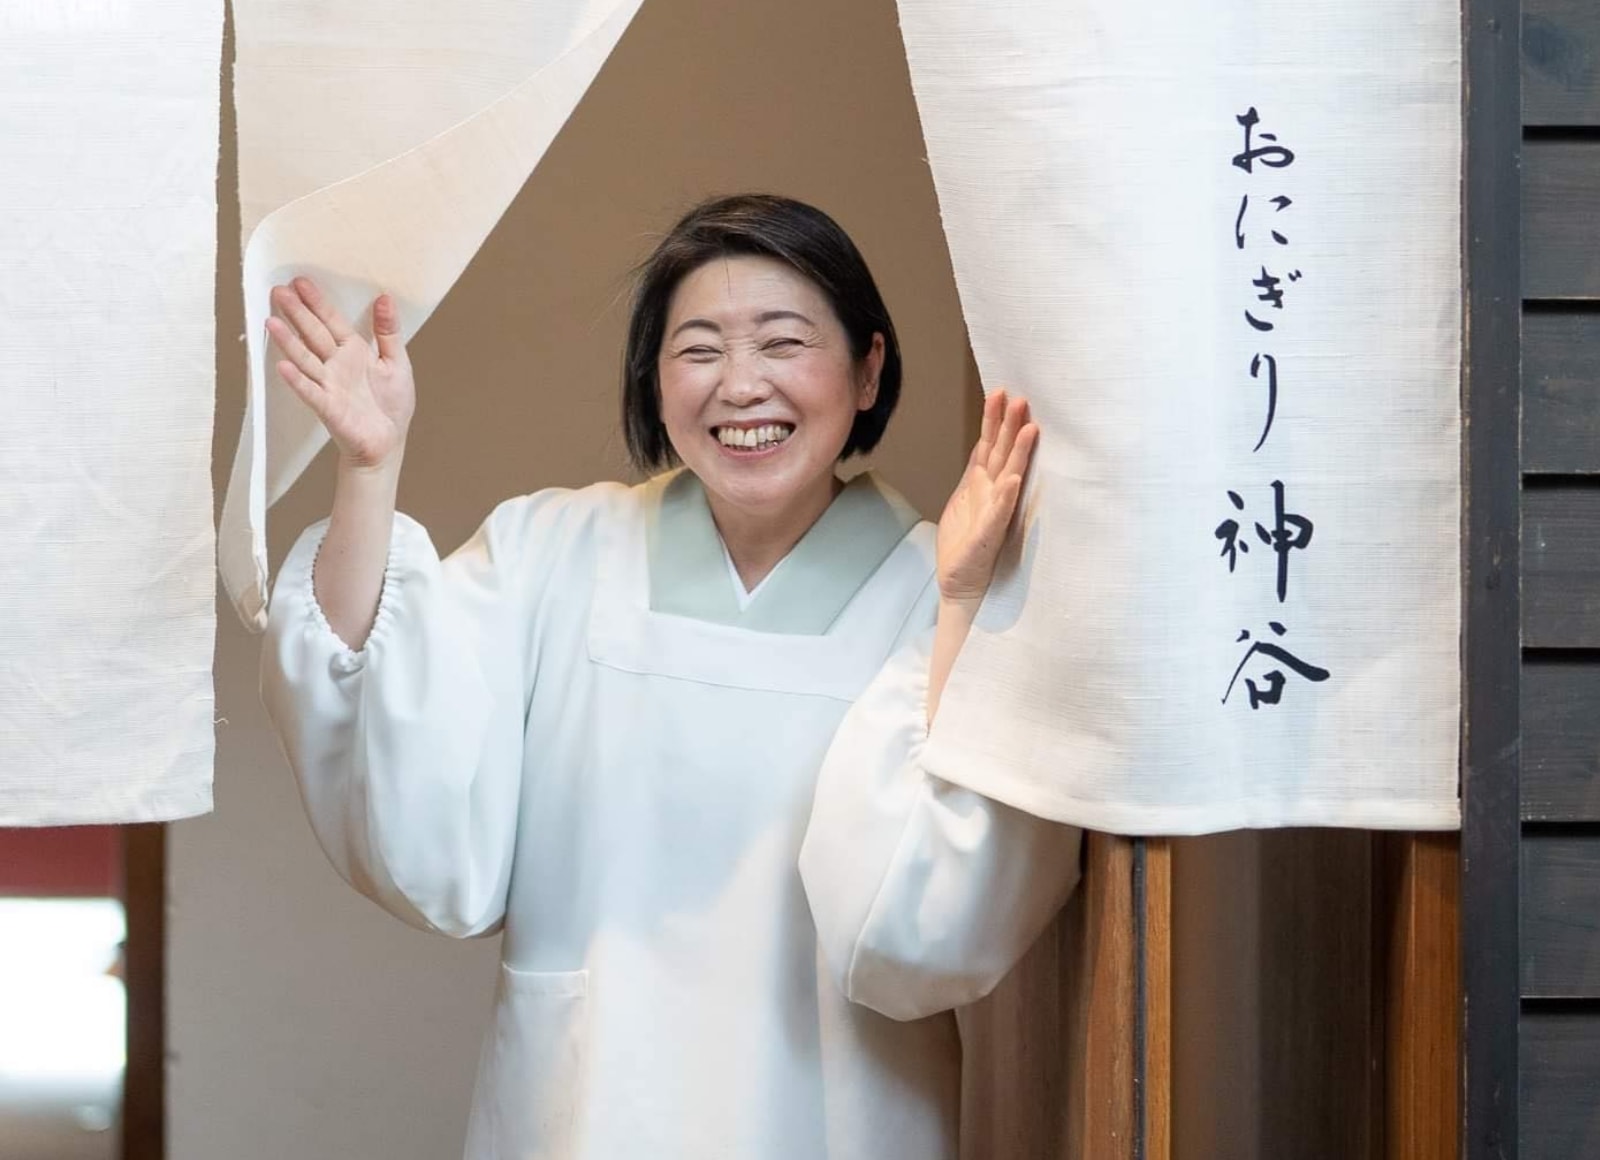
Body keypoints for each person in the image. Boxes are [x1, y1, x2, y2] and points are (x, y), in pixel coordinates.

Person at [260, 193, 1082, 1160]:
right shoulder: (556, 552)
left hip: (838, 1121)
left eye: (783, 343)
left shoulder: (935, 586)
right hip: (583, 1110)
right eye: (699, 350)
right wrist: (370, 469)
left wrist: (962, 599)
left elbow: (930, 926)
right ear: (654, 383)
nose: (741, 385)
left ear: (868, 369)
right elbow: (401, 747)